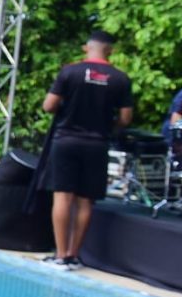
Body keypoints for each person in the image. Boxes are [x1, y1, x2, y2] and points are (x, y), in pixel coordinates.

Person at [37, 29, 133, 269]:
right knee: (84, 201)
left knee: (62, 196)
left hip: (66, 140)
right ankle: (73, 255)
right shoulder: (120, 78)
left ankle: (59, 256)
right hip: (97, 144)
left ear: (86, 47)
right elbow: (125, 119)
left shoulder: (70, 72)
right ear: (110, 50)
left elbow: (48, 106)